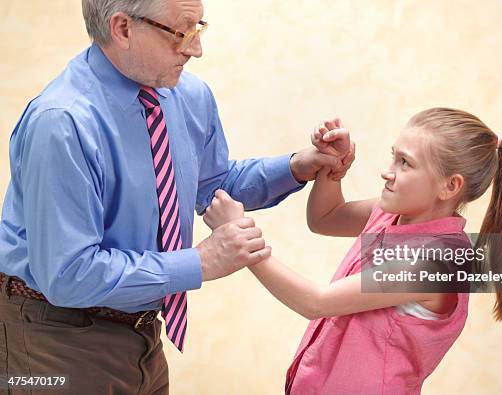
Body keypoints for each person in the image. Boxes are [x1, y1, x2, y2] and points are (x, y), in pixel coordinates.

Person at [0, 0, 354, 393]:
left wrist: (297, 166)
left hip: (143, 332)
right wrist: (200, 262)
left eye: (198, 27)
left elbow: (212, 185)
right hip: (54, 337)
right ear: (122, 29)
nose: (196, 48)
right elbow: (69, 274)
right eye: (181, 31)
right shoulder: (61, 123)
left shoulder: (187, 96)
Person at [204, 109, 502, 394]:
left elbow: (316, 303)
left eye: (405, 163)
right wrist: (334, 169)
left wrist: (241, 241)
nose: (388, 171)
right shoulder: (391, 213)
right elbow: (326, 219)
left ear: (449, 186)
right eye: (394, 156)